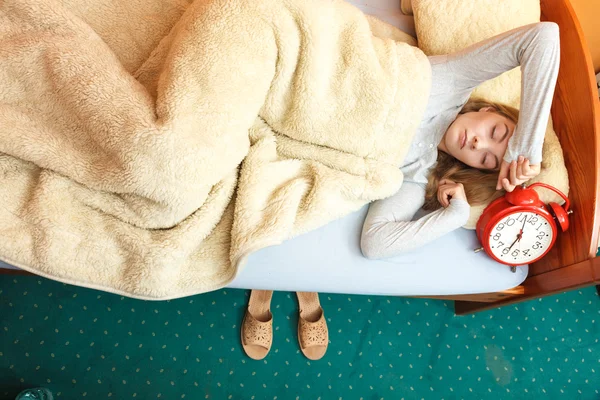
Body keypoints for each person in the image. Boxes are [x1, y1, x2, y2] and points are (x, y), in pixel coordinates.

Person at [360, 22, 560, 259]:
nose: (478, 144)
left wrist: (456, 216)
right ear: (488, 110)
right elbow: (543, 36)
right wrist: (524, 148)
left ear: (473, 168)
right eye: (495, 132)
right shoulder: (454, 80)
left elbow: (374, 244)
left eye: (486, 159)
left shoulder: (419, 175)